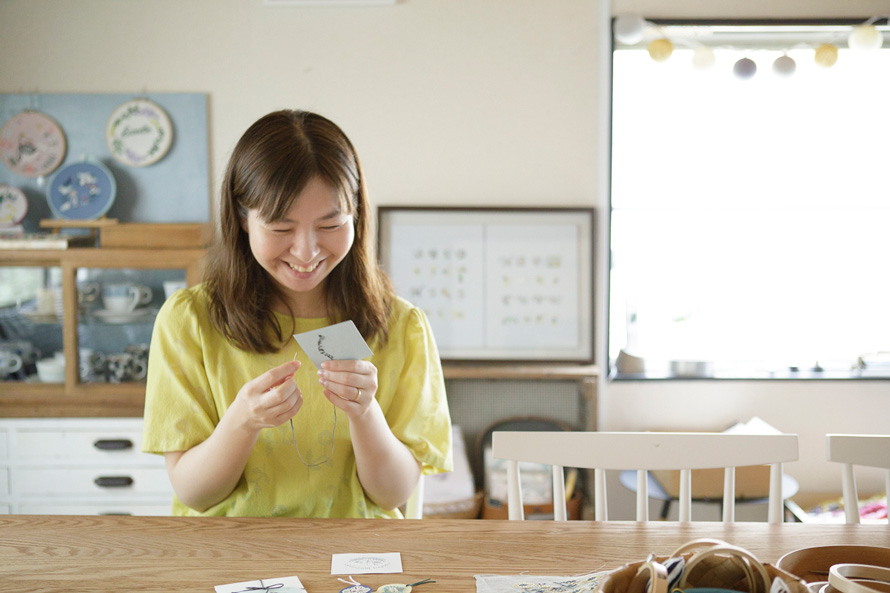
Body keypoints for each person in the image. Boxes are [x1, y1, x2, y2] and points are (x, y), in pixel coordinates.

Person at [142, 109, 452, 518]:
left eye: (330, 225)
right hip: (233, 560)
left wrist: (365, 412)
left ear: (357, 214)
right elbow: (194, 493)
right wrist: (243, 422)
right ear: (242, 219)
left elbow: (392, 495)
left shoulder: (401, 327)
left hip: (354, 561)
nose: (306, 252)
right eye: (280, 229)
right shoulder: (190, 321)